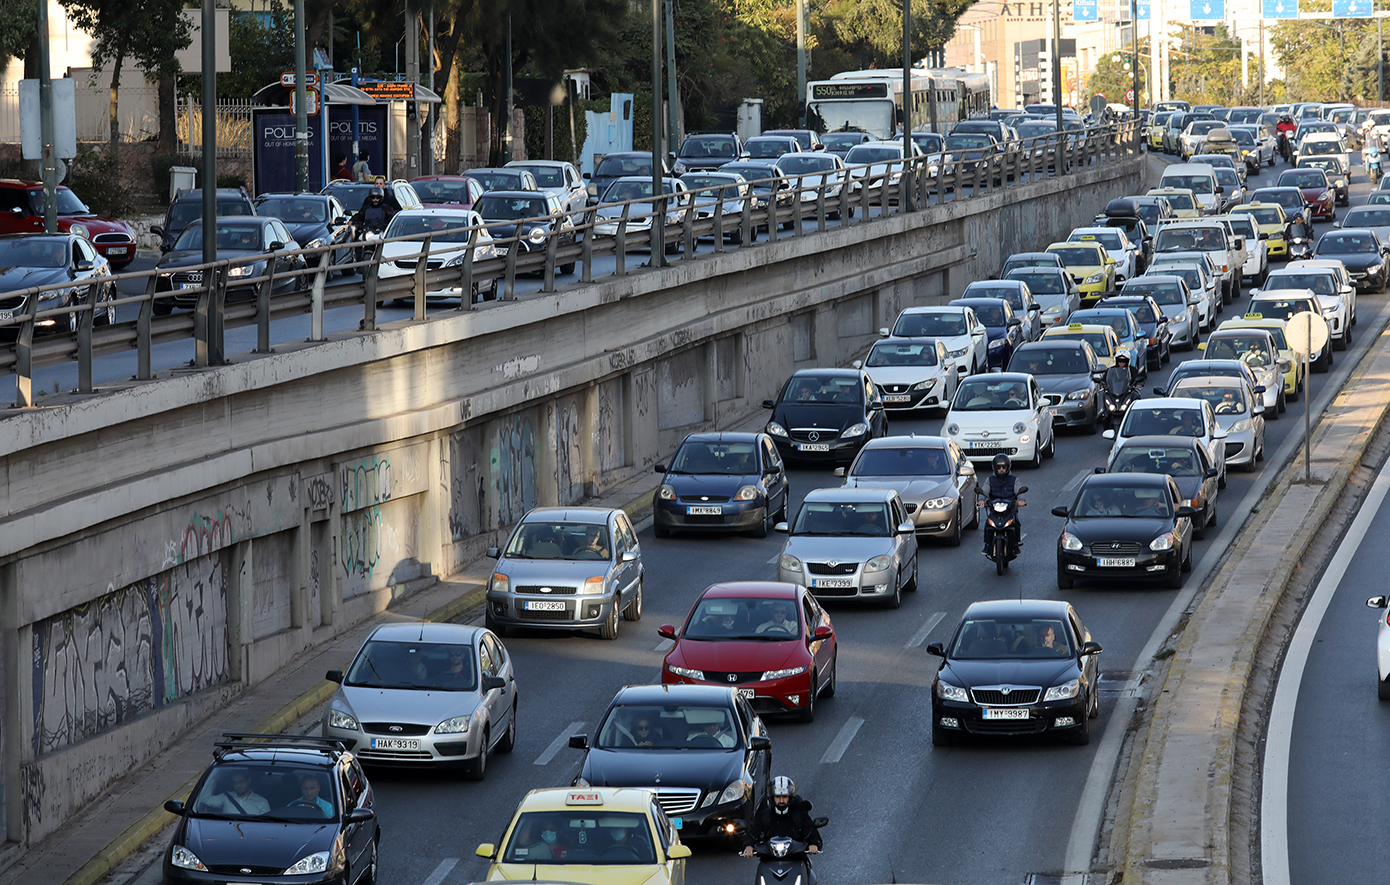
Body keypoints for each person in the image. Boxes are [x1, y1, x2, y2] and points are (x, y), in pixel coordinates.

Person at [741, 777, 823, 858]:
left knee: (809, 871)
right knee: (759, 872)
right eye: (777, 797)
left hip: (796, 859)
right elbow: (753, 833)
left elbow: (810, 831)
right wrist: (748, 845)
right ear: (772, 797)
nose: (781, 800)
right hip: (769, 860)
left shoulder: (799, 815)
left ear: (790, 797)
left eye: (784, 797)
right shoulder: (764, 815)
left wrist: (813, 844)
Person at [981, 453, 1024, 555]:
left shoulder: (1014, 479)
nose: (1001, 469)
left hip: (1009, 507)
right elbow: (984, 491)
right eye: (998, 467)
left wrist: (1021, 500)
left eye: (1003, 467)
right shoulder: (990, 480)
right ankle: (987, 545)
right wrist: (981, 500)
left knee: (1016, 524)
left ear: (1008, 467)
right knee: (988, 524)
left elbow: (1019, 491)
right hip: (994, 507)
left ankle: (1016, 545)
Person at [198, 769, 270, 815]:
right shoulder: (225, 797)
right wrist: (215, 778)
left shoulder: (261, 802)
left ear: (248, 781)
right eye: (235, 783)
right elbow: (204, 798)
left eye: (241, 782)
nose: (238, 785)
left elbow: (266, 825)